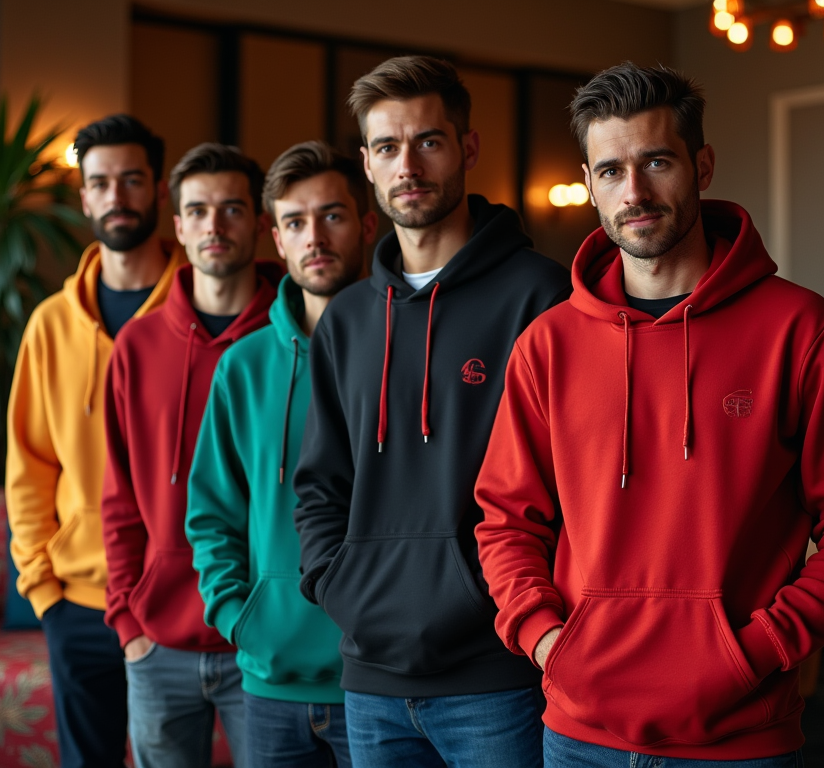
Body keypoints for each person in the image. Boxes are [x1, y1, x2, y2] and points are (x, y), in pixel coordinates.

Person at [474, 62, 824, 768]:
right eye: (610, 171)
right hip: (579, 738)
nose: (634, 192)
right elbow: (504, 518)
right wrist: (549, 641)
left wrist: (755, 652)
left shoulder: (804, 331)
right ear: (588, 184)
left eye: (657, 162)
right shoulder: (547, 345)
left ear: (701, 165)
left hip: (742, 740)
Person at [292, 56, 571, 768]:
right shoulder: (349, 318)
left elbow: (571, 484)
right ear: (367, 163)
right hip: (370, 684)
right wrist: (340, 585)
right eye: (387, 147)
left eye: (429, 142)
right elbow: (320, 485)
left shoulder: (543, 298)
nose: (407, 165)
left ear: (468, 148)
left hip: (500, 678)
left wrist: (499, 602)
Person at [186, 140, 376, 768]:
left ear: (367, 223)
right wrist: (241, 619)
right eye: (295, 222)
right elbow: (211, 512)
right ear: (276, 236)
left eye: (332, 216)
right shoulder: (242, 367)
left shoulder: (402, 355)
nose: (314, 237)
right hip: (268, 684)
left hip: (376, 680)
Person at [6, 114, 186, 768]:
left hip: (176, 596)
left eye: (132, 180)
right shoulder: (50, 325)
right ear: (83, 196)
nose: (116, 196)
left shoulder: (199, 311)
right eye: (101, 183)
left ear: (159, 189)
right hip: (77, 601)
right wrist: (43, 591)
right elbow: (29, 468)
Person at [100, 142, 281, 768]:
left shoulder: (295, 338)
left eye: (232, 209)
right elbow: (118, 497)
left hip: (263, 642)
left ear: (259, 223)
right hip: (158, 641)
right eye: (198, 210)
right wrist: (128, 625)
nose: (214, 225)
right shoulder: (137, 345)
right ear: (177, 225)